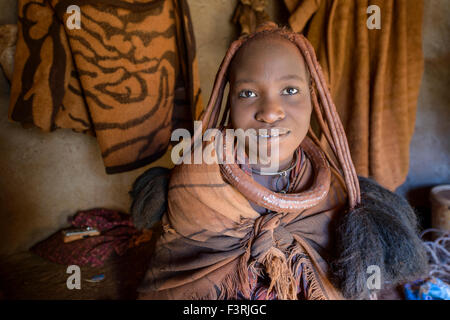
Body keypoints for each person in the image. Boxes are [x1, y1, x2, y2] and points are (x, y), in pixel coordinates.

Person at [133, 23, 428, 300]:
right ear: (229, 101)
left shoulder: (332, 190)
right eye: (247, 93)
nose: (270, 112)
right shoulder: (195, 184)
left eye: (289, 91)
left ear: (313, 98)